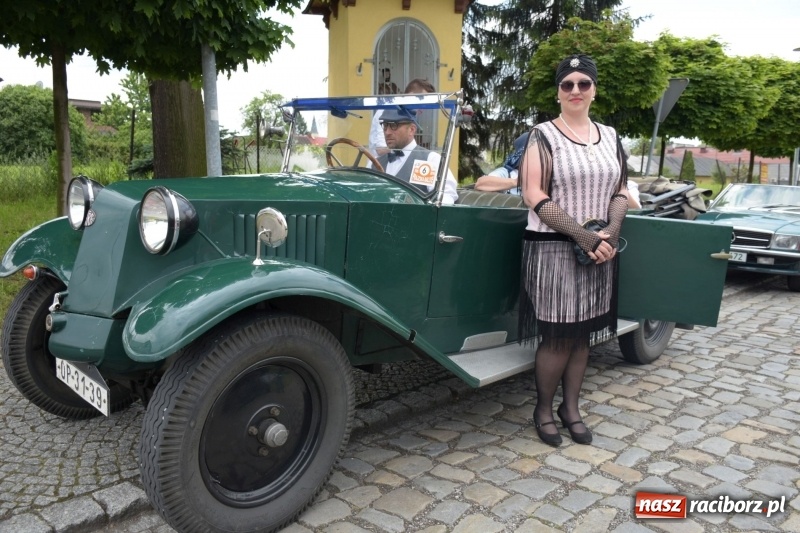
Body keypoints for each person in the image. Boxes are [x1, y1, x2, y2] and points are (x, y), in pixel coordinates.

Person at [518, 54, 629, 446]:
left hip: (600, 249)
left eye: (584, 83)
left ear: (594, 90)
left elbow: (621, 190)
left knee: (582, 335)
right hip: (553, 248)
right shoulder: (542, 135)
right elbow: (533, 193)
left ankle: (571, 409)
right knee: (558, 336)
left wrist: (610, 234)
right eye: (568, 84)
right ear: (559, 92)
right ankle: (543, 411)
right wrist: (584, 237)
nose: (576, 90)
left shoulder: (611, 136)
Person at [478, 134, 641, 209]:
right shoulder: (507, 173)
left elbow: (635, 209)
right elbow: (481, 183)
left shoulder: (627, 184)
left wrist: (613, 182)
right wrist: (522, 181)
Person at [374, 107, 458, 205]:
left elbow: (445, 197)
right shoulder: (376, 163)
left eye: (393, 125)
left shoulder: (429, 160)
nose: (387, 132)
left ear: (412, 130)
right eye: (385, 126)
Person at [369, 78, 436, 156]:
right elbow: (381, 150)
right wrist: (416, 153)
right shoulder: (387, 110)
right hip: (381, 163)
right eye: (423, 103)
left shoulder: (410, 115)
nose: (423, 110)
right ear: (412, 95)